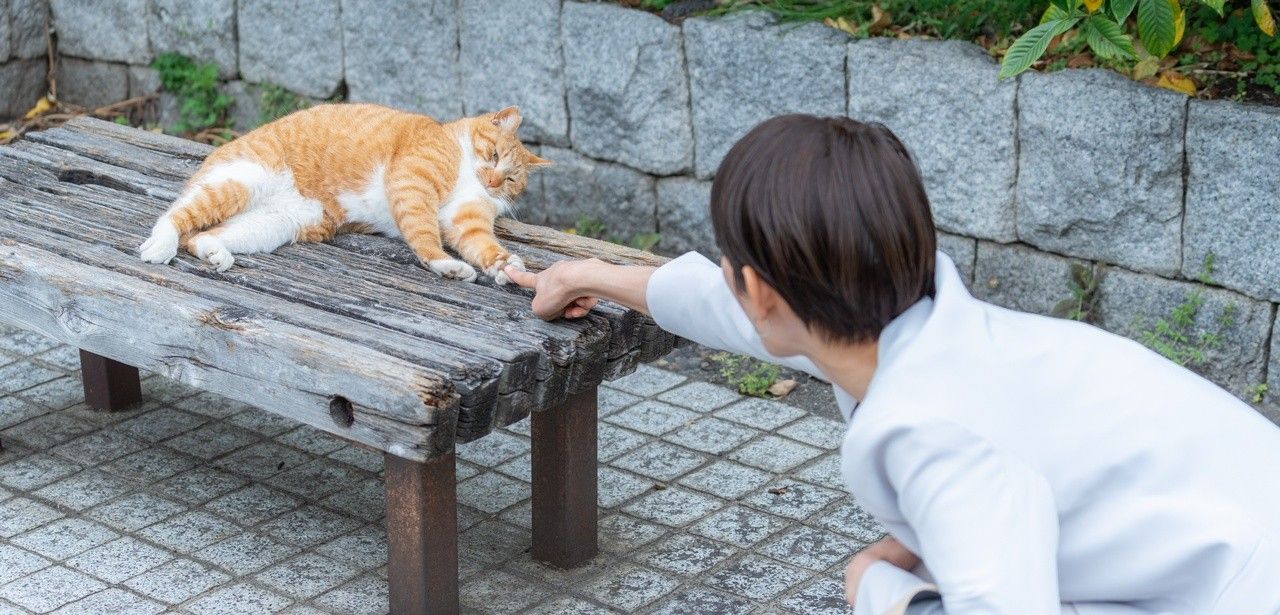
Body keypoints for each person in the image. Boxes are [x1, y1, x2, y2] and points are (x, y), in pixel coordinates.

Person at [504, 115, 1280, 614]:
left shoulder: (928, 429)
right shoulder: (920, 325)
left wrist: (881, 588)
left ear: (762, 289)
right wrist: (583, 276)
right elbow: (730, 309)